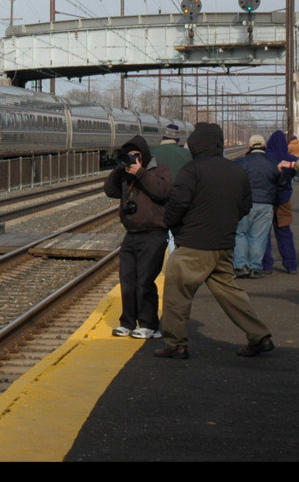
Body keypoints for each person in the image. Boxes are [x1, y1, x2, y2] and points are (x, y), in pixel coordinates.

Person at [158, 122, 274, 359]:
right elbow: (245, 206)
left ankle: (176, 344)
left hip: (193, 245)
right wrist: (226, 225)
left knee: (176, 294)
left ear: (197, 144)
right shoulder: (237, 171)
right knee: (231, 294)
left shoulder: (191, 170)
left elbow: (177, 204)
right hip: (223, 245)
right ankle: (260, 336)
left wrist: (173, 226)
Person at [103, 135, 172, 339]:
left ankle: (150, 324)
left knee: (145, 280)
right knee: (127, 280)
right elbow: (109, 191)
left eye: (136, 155)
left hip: (154, 233)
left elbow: (162, 192)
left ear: (145, 155)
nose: (133, 159)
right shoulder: (126, 175)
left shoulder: (160, 171)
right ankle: (128, 322)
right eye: (130, 155)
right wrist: (119, 168)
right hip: (131, 234)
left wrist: (141, 172)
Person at [233, 135, 287, 278]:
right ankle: (255, 268)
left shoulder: (240, 162)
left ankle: (240, 266)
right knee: (259, 237)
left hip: (244, 204)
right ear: (265, 147)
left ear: (249, 147)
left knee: (240, 234)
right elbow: (282, 184)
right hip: (266, 204)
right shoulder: (274, 164)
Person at [151, 123, 192, 252]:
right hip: (179, 205)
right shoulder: (186, 155)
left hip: (155, 205)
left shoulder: (151, 153)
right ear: (177, 138)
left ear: (163, 136)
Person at [264, 132, 299, 274]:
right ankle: (291, 265)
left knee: (264, 232)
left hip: (267, 199)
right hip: (284, 200)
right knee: (284, 231)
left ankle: (266, 265)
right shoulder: (292, 159)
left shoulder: (266, 158)